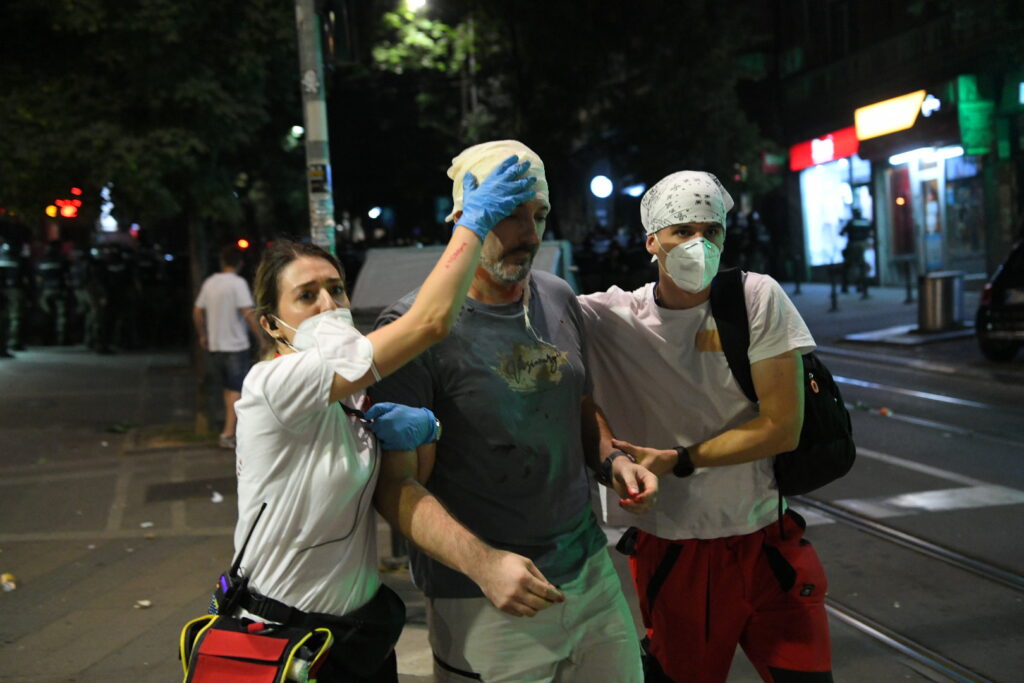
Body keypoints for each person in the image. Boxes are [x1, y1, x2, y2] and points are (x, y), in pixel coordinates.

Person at [232, 156, 567, 682]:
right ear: (272, 325)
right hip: (283, 639)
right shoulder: (272, 385)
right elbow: (429, 322)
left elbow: (403, 484)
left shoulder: (349, 396)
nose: (328, 305)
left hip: (354, 635)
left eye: (336, 289)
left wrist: (425, 432)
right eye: (306, 296)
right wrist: (473, 226)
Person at [369, 140, 656, 683]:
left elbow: (575, 402)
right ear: (466, 219)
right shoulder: (409, 328)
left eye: (539, 215)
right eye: (508, 214)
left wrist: (612, 460)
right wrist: (483, 564)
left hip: (589, 574)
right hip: (485, 597)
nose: (529, 233)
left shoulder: (556, 295)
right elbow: (394, 486)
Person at [578, 170, 833, 683]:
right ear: (652, 241)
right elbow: (561, 375)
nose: (699, 244)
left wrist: (680, 460)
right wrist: (613, 460)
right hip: (676, 549)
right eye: (682, 231)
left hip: (766, 542)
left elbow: (782, 426)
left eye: (710, 231)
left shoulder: (756, 297)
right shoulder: (608, 317)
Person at [192, 246, 261, 449]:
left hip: (215, 346)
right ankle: (229, 433)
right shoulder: (238, 284)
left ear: (222, 262)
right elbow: (247, 313)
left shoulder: (210, 283)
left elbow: (197, 311)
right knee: (236, 390)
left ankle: (230, 430)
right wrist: (261, 338)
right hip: (236, 345)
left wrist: (202, 335)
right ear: (240, 263)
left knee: (228, 389)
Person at [840, 208, 871, 298]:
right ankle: (860, 286)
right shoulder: (865, 221)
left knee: (847, 266)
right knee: (861, 266)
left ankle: (845, 286)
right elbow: (870, 232)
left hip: (853, 245)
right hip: (863, 245)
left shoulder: (851, 222)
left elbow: (842, 233)